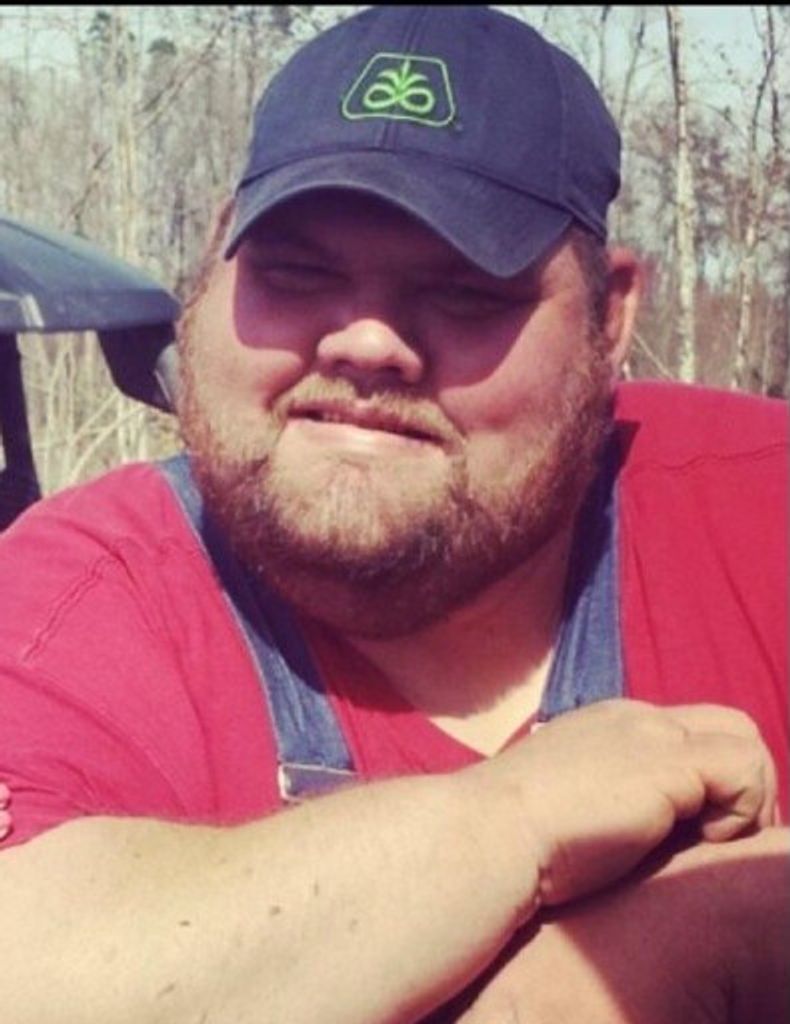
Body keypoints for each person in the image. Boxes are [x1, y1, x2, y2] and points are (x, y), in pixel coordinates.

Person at [0, 6, 787, 1023]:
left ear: (610, 318)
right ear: (213, 261)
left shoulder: (757, 508)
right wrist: (531, 832)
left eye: (467, 291)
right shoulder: (73, 597)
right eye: (297, 273)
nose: (367, 342)